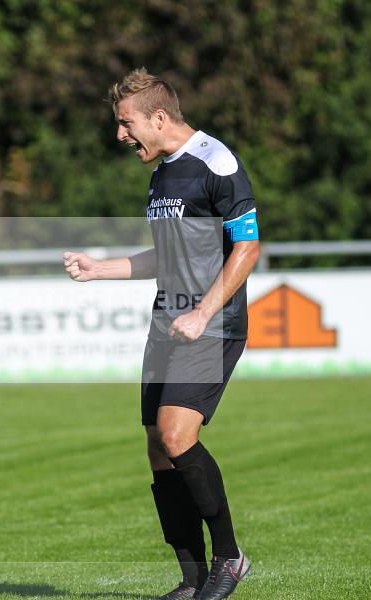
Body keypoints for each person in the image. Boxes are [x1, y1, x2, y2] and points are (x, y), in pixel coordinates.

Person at [63, 68, 260, 600]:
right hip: (167, 320)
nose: (120, 135)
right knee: (157, 446)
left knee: (178, 436)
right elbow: (167, 256)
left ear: (158, 116)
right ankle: (193, 578)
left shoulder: (216, 162)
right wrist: (99, 268)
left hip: (212, 322)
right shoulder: (160, 176)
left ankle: (230, 558)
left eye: (126, 124)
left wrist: (201, 312)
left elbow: (248, 248)